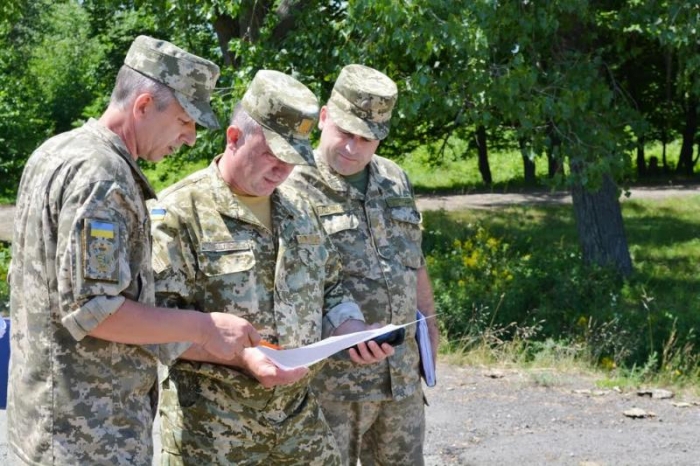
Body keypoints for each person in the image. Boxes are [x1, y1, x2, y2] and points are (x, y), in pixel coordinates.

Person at [7, 35, 260, 466]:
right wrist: (203, 326)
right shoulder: (101, 176)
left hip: (49, 424)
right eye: (184, 120)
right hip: (87, 437)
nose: (191, 138)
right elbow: (96, 309)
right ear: (143, 105)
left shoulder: (58, 150)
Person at [150, 69, 394, 465]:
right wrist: (240, 357)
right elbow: (157, 323)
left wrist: (351, 331)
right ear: (234, 138)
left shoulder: (298, 209)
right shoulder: (178, 212)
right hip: (213, 434)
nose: (283, 169)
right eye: (272, 154)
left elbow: (331, 287)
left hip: (299, 424)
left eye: (293, 158)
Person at [286, 64, 440, 465]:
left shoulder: (394, 179)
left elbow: (414, 259)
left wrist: (430, 323)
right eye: (345, 133)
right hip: (329, 386)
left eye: (367, 138)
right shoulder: (287, 183)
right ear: (323, 117)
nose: (353, 147)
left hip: (400, 381)